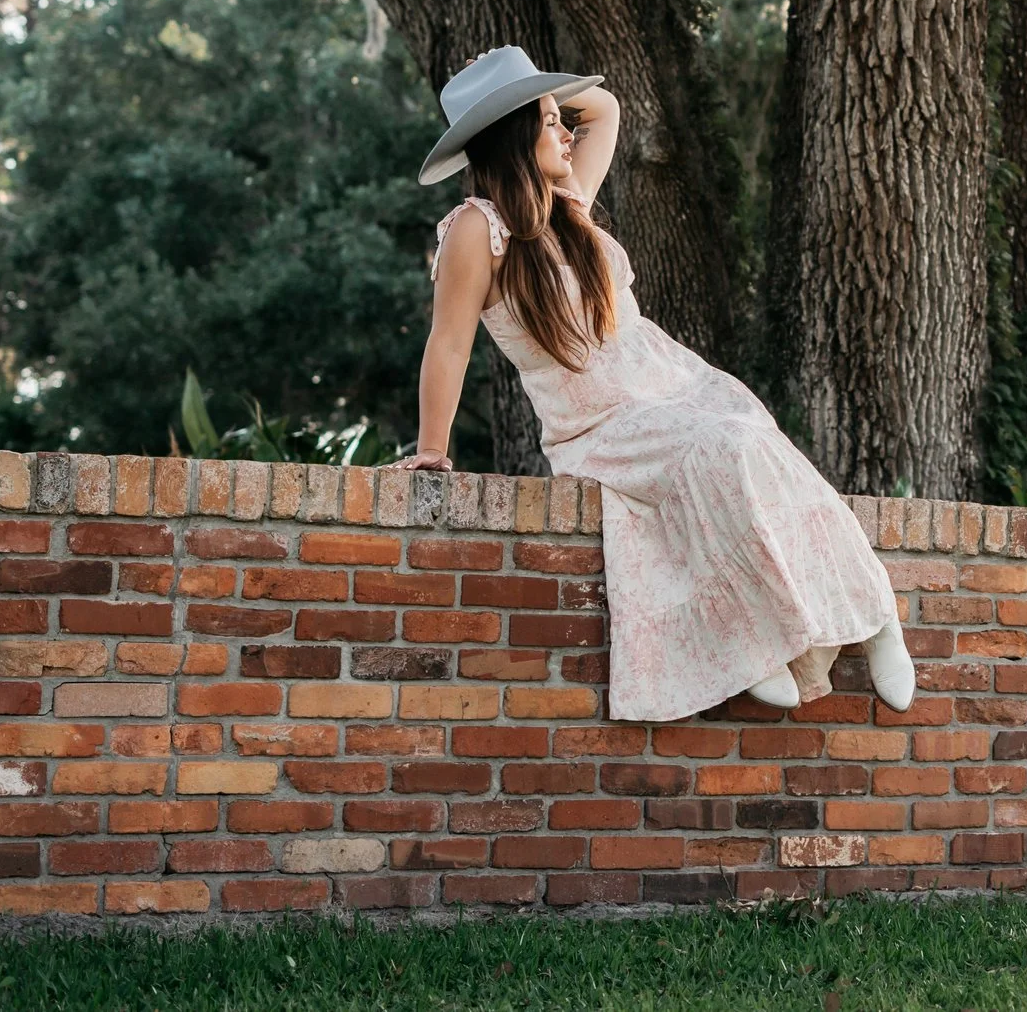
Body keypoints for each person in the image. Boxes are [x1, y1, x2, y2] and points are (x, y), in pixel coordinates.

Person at [390, 46, 916, 723]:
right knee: (720, 448)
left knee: (752, 439)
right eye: (548, 123)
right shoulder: (476, 229)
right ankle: (753, 642)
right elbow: (450, 341)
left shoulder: (568, 199)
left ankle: (874, 615)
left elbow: (603, 106)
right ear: (516, 137)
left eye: (558, 119)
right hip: (598, 423)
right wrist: (433, 447)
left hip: (671, 380)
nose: (565, 132)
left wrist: (529, 97)